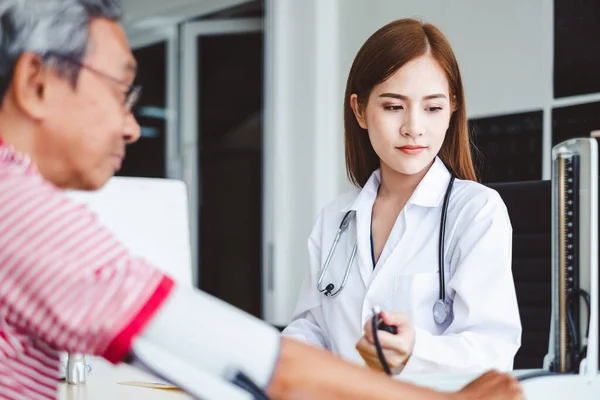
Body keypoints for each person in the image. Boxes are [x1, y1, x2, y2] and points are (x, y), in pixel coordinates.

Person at [0, 1, 524, 399]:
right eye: (121, 91)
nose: (134, 126)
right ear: (36, 84)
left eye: (432, 108)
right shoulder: (19, 212)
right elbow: (263, 355)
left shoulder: (474, 211)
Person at [282, 18, 523, 376]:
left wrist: (416, 351)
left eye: (433, 107)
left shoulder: (476, 212)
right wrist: (275, 353)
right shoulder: (337, 218)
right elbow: (314, 329)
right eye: (394, 107)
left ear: (452, 108)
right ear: (360, 110)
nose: (414, 126)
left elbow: (493, 351)